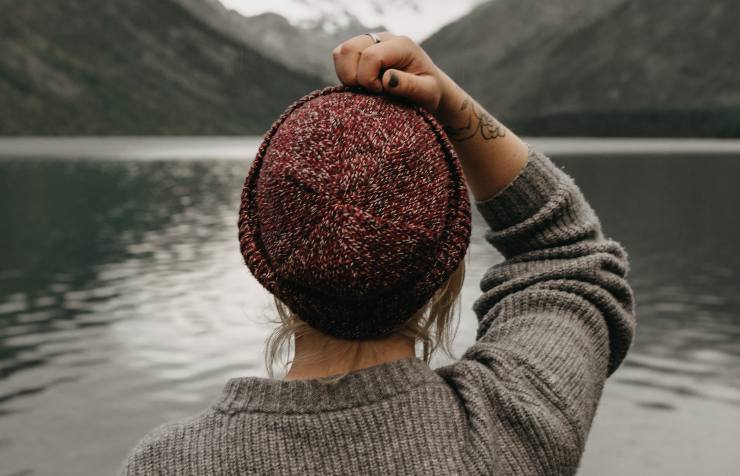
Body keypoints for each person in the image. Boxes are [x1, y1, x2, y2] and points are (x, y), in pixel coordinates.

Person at [118, 32, 636, 476]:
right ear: (447, 264)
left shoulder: (170, 464)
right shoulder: (514, 433)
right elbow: (566, 250)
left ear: (265, 261)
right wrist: (447, 100)